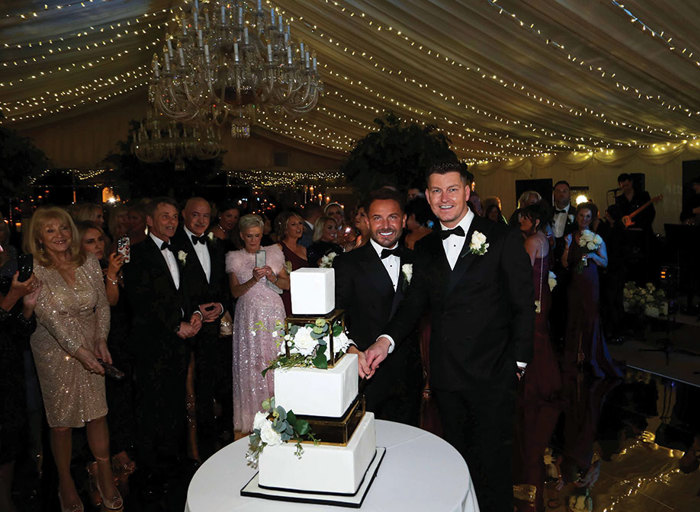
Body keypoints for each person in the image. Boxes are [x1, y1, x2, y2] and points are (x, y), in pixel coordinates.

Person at [364, 162, 534, 511]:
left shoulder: (502, 237)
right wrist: (385, 340)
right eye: (436, 191)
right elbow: (412, 307)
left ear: (468, 191)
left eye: (452, 189)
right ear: (427, 196)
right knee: (458, 460)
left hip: (494, 373)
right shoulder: (424, 248)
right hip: (448, 377)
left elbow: (522, 304)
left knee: (495, 466)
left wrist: (517, 364)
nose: (444, 198)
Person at [26, 206, 121, 512]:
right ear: (39, 237)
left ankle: (105, 473)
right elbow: (51, 320)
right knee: (62, 423)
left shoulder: (89, 262)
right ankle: (65, 481)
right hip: (54, 352)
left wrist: (101, 340)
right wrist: (80, 353)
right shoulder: (36, 270)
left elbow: (103, 306)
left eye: (64, 228)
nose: (59, 235)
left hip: (92, 342)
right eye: (50, 230)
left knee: (97, 412)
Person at [123, 197, 202, 495]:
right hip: (151, 343)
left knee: (174, 402)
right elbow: (141, 301)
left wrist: (194, 314)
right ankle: (150, 471)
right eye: (164, 216)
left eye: (173, 217)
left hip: (180, 345)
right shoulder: (137, 254)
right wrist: (173, 325)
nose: (170, 222)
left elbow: (187, 290)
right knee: (150, 405)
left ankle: (173, 462)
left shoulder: (181, 250)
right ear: (149, 220)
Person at [334, 189, 422, 425]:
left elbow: (415, 311)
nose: (386, 225)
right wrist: (351, 351)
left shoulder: (418, 261)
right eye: (377, 218)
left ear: (403, 220)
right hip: (365, 375)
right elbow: (335, 316)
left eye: (392, 217)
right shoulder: (346, 264)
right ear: (366, 221)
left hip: (407, 374)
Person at [170, 197, 228, 462]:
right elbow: (173, 289)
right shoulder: (173, 244)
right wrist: (194, 310)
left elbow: (222, 285)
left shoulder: (216, 244)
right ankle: (184, 450)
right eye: (195, 215)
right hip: (183, 328)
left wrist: (222, 305)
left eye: (205, 216)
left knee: (207, 386)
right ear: (184, 214)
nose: (201, 220)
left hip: (211, 329)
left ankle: (207, 447)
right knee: (181, 390)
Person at [514, 203, 562, 511]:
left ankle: (533, 383)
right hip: (542, 300)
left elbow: (521, 274)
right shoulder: (547, 239)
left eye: (524, 217)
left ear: (536, 220)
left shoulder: (531, 242)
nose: (521, 222)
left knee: (531, 339)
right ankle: (544, 380)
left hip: (531, 300)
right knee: (539, 337)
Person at [226, 214, 289, 433]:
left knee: (274, 360)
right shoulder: (235, 258)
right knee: (252, 362)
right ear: (242, 236)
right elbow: (235, 292)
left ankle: (280, 413)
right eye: (250, 236)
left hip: (273, 312)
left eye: (258, 235)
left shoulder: (273, 252)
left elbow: (288, 284)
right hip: (249, 316)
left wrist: (272, 277)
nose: (254, 240)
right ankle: (253, 417)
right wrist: (253, 279)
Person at [562, 203, 622, 379]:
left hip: (591, 281)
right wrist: (567, 247)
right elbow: (565, 264)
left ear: (592, 218)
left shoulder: (597, 238)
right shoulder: (571, 236)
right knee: (574, 316)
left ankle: (592, 358)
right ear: (577, 217)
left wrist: (594, 256)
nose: (584, 219)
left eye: (588, 216)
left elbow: (605, 262)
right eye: (581, 215)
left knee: (591, 317)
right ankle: (574, 357)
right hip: (576, 282)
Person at [0, 267, 41, 512]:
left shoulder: (5, 282)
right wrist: (13, 298)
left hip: (8, 374)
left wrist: (27, 307)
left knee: (8, 442)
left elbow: (18, 332)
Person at [615, 173, 657, 283]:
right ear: (620, 185)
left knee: (644, 264)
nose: (625, 188)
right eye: (623, 186)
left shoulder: (643, 195)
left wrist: (640, 225)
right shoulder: (619, 199)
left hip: (643, 236)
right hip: (627, 238)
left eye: (627, 185)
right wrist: (623, 223)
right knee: (627, 264)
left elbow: (651, 213)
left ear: (631, 183)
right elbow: (619, 217)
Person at [275, 211, 309, 315]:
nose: (299, 227)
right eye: (293, 224)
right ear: (285, 229)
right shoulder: (279, 248)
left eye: (300, 223)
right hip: (286, 295)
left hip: (302, 295)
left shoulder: (303, 249)